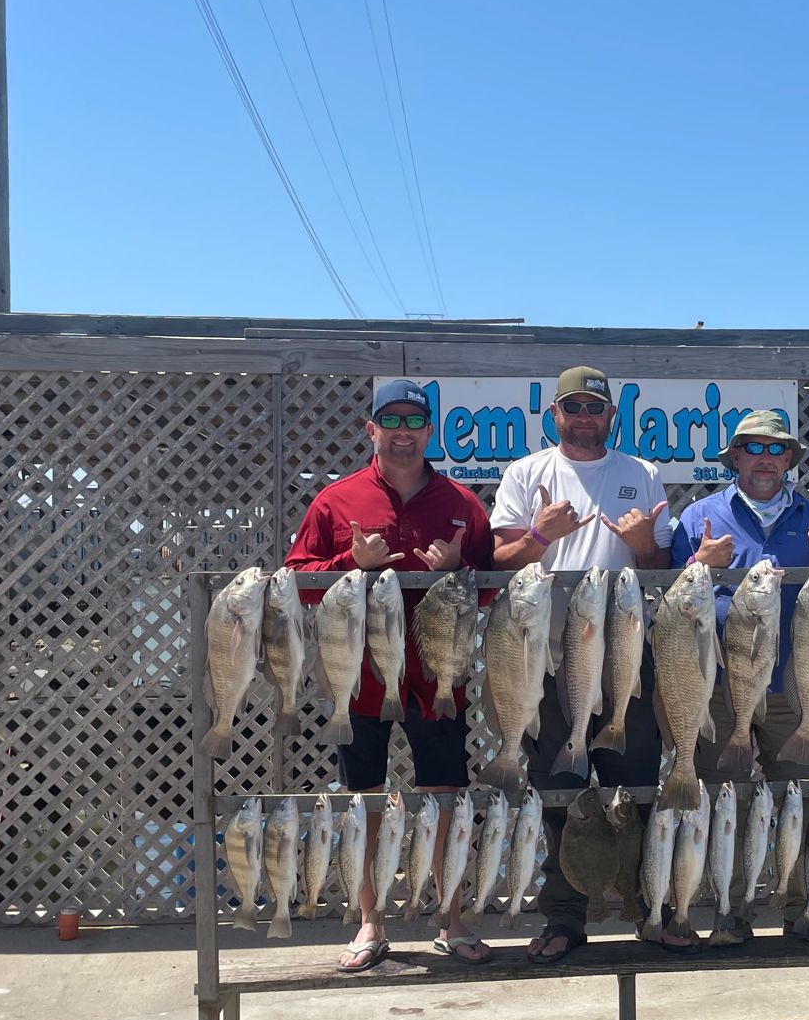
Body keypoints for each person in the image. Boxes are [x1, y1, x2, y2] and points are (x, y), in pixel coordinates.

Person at [287, 379, 495, 970]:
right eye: (391, 420)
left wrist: (458, 571)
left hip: (438, 681)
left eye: (415, 420)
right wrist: (350, 563)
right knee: (365, 801)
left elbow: (488, 592)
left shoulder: (462, 504)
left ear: (430, 430)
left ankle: (453, 921)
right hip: (360, 679)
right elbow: (298, 582)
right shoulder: (334, 502)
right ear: (371, 429)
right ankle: (369, 923)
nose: (404, 431)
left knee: (446, 798)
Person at [490, 365, 673, 963]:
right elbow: (499, 560)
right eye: (573, 407)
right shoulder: (525, 474)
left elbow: (660, 566)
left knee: (636, 781)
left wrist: (643, 543)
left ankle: (646, 904)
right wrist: (541, 537)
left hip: (622, 647)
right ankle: (566, 916)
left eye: (595, 406)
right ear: (555, 415)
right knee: (560, 787)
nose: (584, 416)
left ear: (611, 415)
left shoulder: (642, 474)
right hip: (547, 653)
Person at [670, 409, 809, 942]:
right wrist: (697, 562)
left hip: (795, 686)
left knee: (801, 800)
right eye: (753, 448)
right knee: (726, 800)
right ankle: (730, 909)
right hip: (723, 686)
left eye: (776, 450)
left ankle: (802, 909)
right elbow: (677, 606)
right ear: (735, 458)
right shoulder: (699, 517)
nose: (765, 459)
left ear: (789, 458)